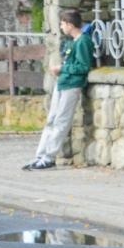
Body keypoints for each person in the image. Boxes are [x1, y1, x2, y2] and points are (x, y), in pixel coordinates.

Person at [24, 9, 96, 171]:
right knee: (51, 120)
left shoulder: (83, 41)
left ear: (70, 25)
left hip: (72, 85)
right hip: (62, 83)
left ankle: (49, 157)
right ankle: (40, 155)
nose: (61, 27)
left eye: (63, 24)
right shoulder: (73, 41)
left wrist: (62, 68)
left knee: (61, 122)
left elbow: (83, 66)